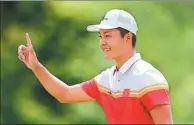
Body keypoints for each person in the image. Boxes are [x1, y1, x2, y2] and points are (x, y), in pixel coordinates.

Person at [17, 9, 173, 124]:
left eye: (108, 36)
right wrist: (36, 66)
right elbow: (65, 94)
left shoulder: (148, 77)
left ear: (127, 37)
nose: (102, 42)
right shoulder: (106, 79)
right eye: (100, 36)